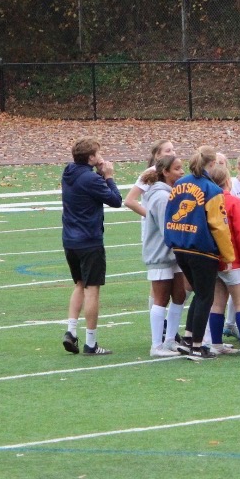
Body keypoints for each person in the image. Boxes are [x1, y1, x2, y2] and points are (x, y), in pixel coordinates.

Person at [164, 146, 235, 359]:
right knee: (206, 296)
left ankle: (187, 338)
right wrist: (229, 255)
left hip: (180, 246)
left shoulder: (179, 184)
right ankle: (197, 345)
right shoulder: (212, 190)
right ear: (212, 164)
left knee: (199, 292)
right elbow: (219, 226)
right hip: (202, 249)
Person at [60, 137, 122, 355]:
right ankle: (91, 343)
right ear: (91, 157)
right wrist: (108, 176)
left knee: (79, 284)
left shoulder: (68, 171)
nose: (101, 155)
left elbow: (86, 186)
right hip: (89, 240)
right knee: (92, 289)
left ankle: (71, 331)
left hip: (70, 239)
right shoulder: (92, 179)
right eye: (97, 153)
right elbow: (116, 200)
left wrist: (98, 174)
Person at [124, 154, 187, 357]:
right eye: (177, 169)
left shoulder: (173, 193)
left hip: (174, 253)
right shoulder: (161, 196)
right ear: (165, 172)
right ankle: (156, 345)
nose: (182, 172)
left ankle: (170, 340)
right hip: (161, 254)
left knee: (179, 295)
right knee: (161, 298)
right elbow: (167, 228)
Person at [206, 164, 240, 355]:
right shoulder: (235, 203)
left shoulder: (206, 202)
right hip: (234, 260)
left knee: (217, 303)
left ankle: (216, 344)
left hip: (213, 259)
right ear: (228, 180)